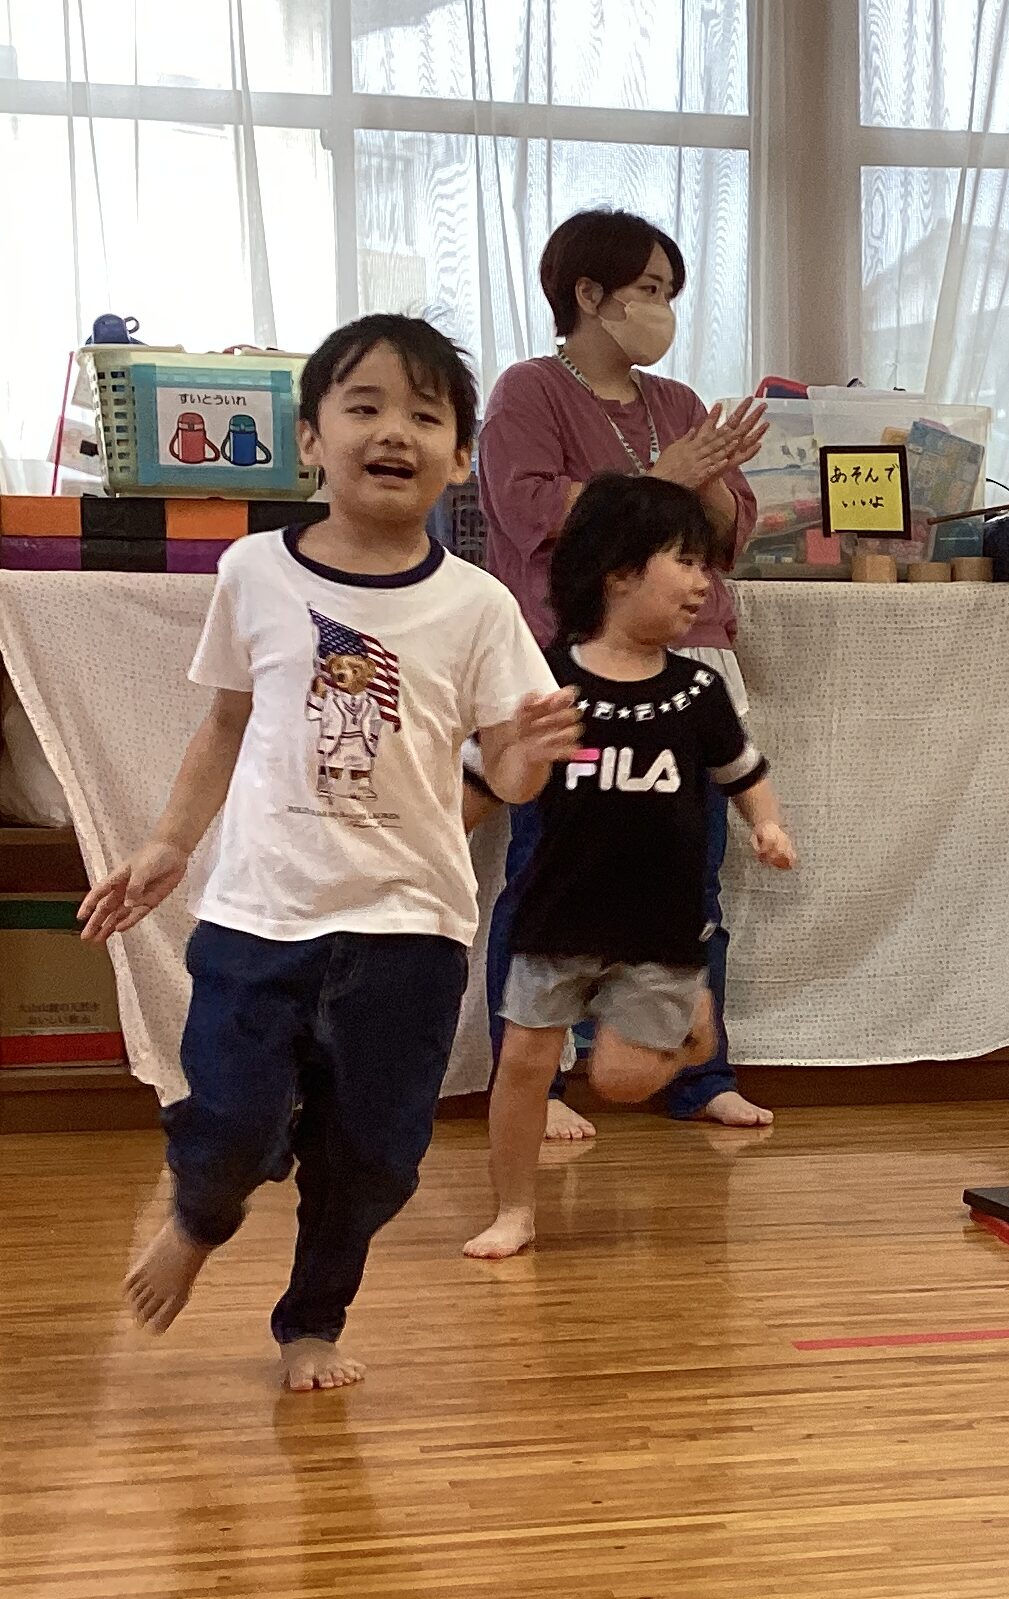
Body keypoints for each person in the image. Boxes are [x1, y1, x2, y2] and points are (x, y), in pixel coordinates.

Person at [78, 314, 580, 1391]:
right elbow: (224, 723)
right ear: (310, 437)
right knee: (230, 1118)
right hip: (259, 916)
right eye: (364, 407)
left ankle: (311, 1322)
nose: (393, 431)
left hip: (411, 928)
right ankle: (201, 1215)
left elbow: (507, 776)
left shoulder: (478, 604)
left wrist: (529, 752)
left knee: (374, 1159)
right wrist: (168, 843)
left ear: (459, 456)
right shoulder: (255, 572)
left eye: (425, 416)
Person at [475, 206, 772, 1138]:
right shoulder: (529, 391)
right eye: (647, 288)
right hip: (573, 668)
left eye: (669, 290)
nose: (662, 307)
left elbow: (728, 533)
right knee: (548, 876)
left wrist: (707, 476)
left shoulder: (677, 402)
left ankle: (697, 1072)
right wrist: (660, 480)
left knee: (691, 878)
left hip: (686, 665)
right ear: (588, 293)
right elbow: (526, 509)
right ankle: (538, 1079)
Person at [463, 474, 795, 1259]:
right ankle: (515, 1209)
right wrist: (436, 839)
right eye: (684, 560)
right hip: (554, 918)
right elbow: (482, 780)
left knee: (617, 1080)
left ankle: (690, 1030)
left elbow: (742, 770)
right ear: (617, 571)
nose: (702, 581)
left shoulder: (698, 692)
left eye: (705, 564)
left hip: (659, 930)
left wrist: (768, 823)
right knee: (523, 1065)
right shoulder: (544, 682)